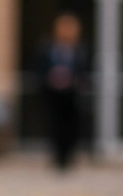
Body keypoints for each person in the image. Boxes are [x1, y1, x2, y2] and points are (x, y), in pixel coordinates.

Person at [37, 13, 89, 171]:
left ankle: (69, 155)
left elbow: (85, 70)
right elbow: (38, 68)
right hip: (53, 95)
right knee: (55, 125)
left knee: (72, 126)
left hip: (72, 95)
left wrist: (74, 81)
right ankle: (58, 156)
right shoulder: (47, 47)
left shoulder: (80, 49)